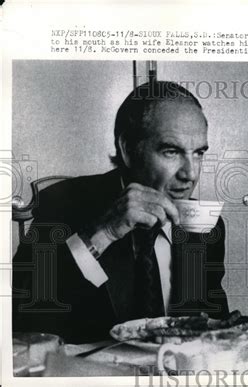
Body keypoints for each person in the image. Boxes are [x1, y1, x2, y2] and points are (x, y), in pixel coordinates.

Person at [13, 81, 229, 343]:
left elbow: (217, 327)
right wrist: (103, 232)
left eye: (198, 153)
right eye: (171, 152)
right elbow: (20, 317)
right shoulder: (62, 203)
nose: (191, 174)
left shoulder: (207, 228)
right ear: (127, 149)